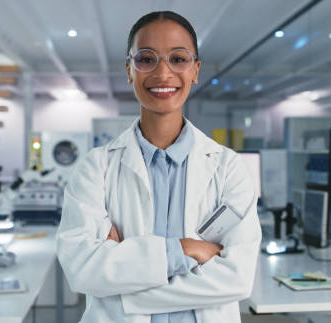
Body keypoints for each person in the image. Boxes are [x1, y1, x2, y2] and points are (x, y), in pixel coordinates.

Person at [57, 11, 261, 323]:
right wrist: (185, 249)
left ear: (195, 70)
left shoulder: (228, 168)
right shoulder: (96, 168)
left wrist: (123, 281)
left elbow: (238, 278)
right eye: (146, 58)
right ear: (129, 69)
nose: (163, 73)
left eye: (178, 59)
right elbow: (82, 270)